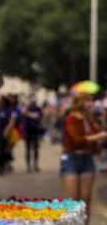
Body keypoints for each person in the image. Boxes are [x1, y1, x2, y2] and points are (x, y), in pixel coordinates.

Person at [61, 92, 107, 224]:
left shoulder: (89, 120)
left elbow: (91, 144)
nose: (91, 104)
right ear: (80, 103)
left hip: (87, 159)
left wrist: (98, 143)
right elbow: (76, 140)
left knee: (85, 201)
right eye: (87, 101)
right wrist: (98, 137)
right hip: (70, 159)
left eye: (91, 101)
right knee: (73, 201)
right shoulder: (71, 119)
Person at [23, 96, 44, 173]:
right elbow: (22, 117)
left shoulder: (38, 109)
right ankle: (28, 165)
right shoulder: (26, 108)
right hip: (28, 131)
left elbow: (41, 118)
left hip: (35, 131)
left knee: (35, 149)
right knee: (28, 149)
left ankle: (35, 164)